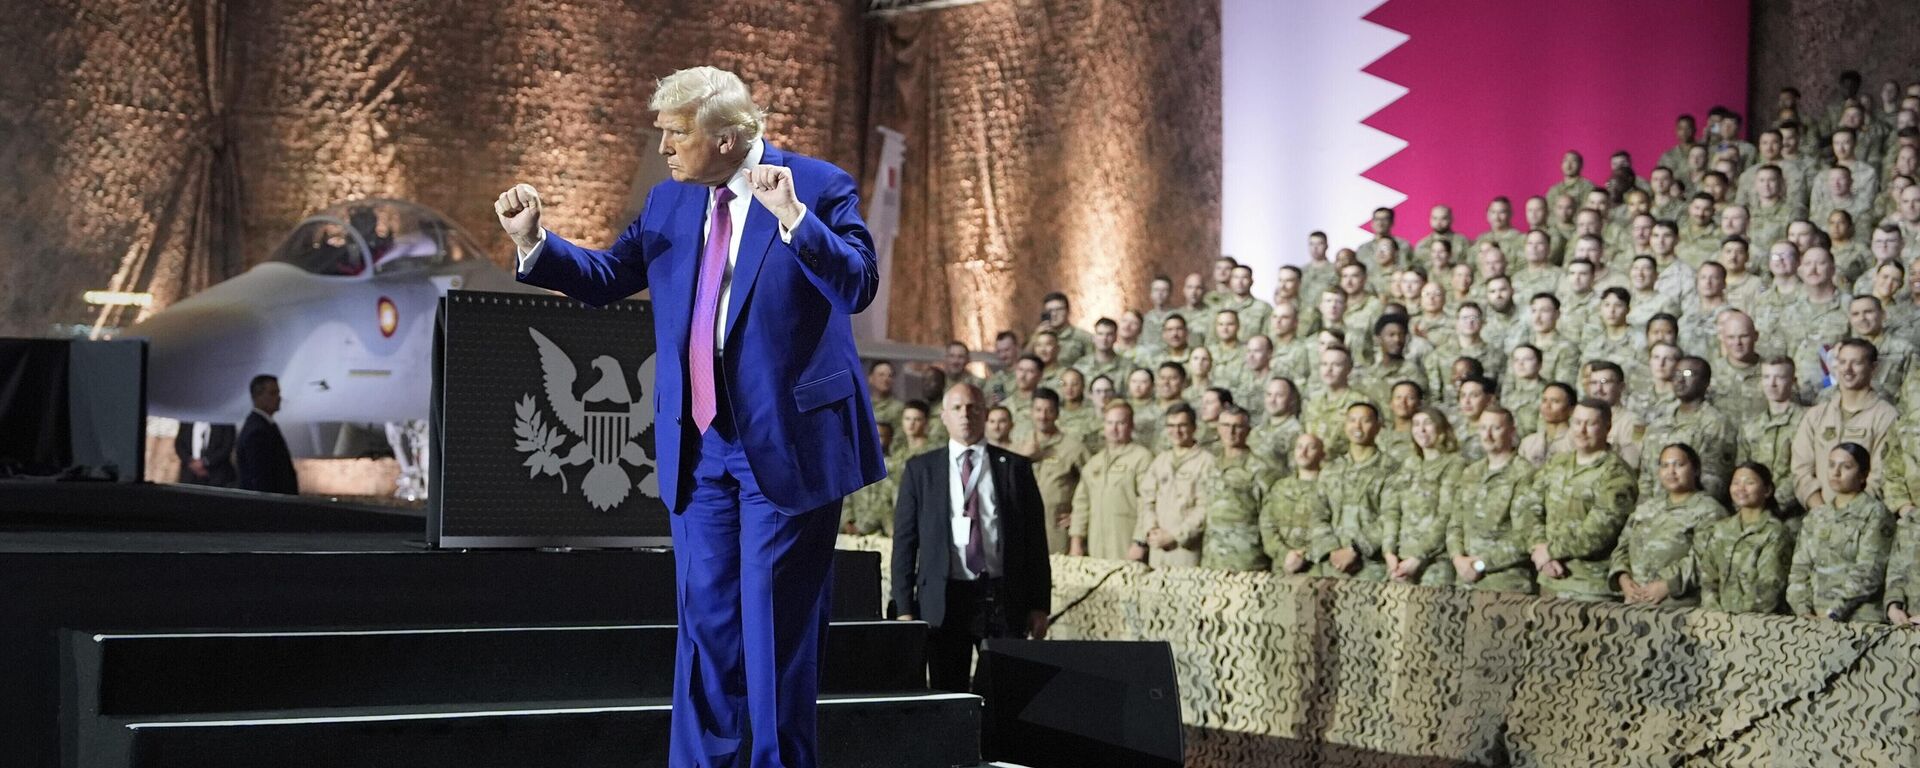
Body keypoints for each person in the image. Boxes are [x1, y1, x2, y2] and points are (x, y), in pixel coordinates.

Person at [498, 66, 883, 768]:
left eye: (676, 135)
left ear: (728, 139)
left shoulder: (818, 186)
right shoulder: (671, 203)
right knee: (706, 630)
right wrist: (536, 242)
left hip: (785, 447)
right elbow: (609, 275)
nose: (665, 149)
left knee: (774, 644)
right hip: (699, 449)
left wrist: (795, 220)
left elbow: (857, 286)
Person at [892, 383, 1052, 691]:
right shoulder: (921, 470)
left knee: (1007, 694)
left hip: (1002, 598)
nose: (966, 415)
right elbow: (905, 542)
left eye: (973, 408)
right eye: (957, 408)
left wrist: (1040, 604)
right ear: (943, 417)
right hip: (945, 600)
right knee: (946, 692)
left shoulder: (1016, 468)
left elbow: (1035, 541)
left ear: (985, 414)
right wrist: (903, 606)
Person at [1529, 399, 1638, 601]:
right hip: (1549, 580)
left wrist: (1550, 551)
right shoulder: (1557, 463)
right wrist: (1539, 548)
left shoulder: (1616, 474)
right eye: (1577, 422)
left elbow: (1598, 533)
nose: (1582, 430)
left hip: (1590, 589)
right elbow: (1532, 507)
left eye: (1591, 424)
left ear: (1607, 427)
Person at [1787, 442, 1896, 623]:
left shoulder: (1875, 513)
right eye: (1831, 465)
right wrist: (1803, 612)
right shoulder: (1817, 515)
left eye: (1846, 467)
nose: (1836, 472)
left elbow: (1869, 572)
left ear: (1863, 475)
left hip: (1859, 620)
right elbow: (1799, 569)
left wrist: (1833, 613)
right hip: (1812, 620)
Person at [1610, 443, 1727, 607]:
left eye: (1679, 465)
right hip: (1634, 604)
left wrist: (1667, 585)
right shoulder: (1647, 507)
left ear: (1695, 469)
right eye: (1665, 465)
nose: (1671, 471)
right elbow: (1622, 546)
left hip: (1678, 607)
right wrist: (1624, 579)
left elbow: (1707, 560)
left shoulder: (1709, 510)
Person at [1791, 339, 1897, 508]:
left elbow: (1882, 475)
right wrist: (1822, 513)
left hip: (1864, 520)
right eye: (1842, 362)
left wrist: (1849, 515)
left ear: (1873, 368)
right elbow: (1801, 470)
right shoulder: (1815, 415)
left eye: (1856, 363)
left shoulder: (1886, 416)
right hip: (1819, 519)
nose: (1847, 369)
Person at [1446, 408, 1540, 593]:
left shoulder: (1524, 474)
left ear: (1511, 431)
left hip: (1505, 585)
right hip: (1464, 582)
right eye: (1483, 428)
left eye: (1496, 428)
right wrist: (1458, 559)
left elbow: (1526, 535)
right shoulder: (1471, 472)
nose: (1487, 435)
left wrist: (1481, 564)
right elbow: (1455, 522)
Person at [1318, 402, 1400, 581]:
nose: (1357, 426)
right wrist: (1332, 550)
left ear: (1378, 427)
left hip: (1371, 568)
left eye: (1365, 421)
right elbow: (1318, 514)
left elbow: (1390, 516)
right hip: (1332, 567)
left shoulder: (1391, 469)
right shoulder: (1331, 469)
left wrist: (1355, 549)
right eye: (1352, 420)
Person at [1697, 463, 1794, 614]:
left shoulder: (1774, 532)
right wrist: (1715, 615)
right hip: (1719, 623)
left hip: (1757, 624)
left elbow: (1770, 586)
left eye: (1749, 483)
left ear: (1767, 490)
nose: (1741, 488)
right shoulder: (1721, 529)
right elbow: (1708, 578)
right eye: (1736, 482)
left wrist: (1739, 621)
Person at [1383, 407, 1463, 586]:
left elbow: (1447, 515)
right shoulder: (1410, 463)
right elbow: (1392, 510)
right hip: (1400, 562)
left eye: (1428, 424)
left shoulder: (1454, 464)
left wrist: (1418, 557)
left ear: (1441, 429)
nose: (1422, 430)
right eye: (1417, 425)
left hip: (1435, 561)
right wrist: (1389, 552)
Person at [1128, 403, 1216, 568]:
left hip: (1187, 549)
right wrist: (1151, 529)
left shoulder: (1206, 462)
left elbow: (1205, 507)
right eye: (1171, 426)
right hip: (1157, 548)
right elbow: (1147, 500)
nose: (1176, 431)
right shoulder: (1161, 460)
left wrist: (1175, 535)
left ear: (1194, 427)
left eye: (1182, 425)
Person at [1069, 401, 1155, 560]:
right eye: (1110, 423)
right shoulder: (1095, 462)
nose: (1114, 429)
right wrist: (1076, 540)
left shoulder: (1142, 458)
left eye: (1120, 423)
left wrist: (1140, 541)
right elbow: (1082, 504)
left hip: (1126, 541)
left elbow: (1147, 502)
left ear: (1131, 425)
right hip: (1096, 543)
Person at [1200, 405, 1281, 572]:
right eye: (1226, 426)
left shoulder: (1261, 469)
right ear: (1218, 429)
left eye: (1238, 426)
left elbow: (1271, 517)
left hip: (1246, 559)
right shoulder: (1211, 464)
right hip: (1212, 558)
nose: (1231, 432)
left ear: (1248, 430)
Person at [1011, 388, 1090, 555]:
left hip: (1056, 531)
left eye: (1049, 410)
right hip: (1021, 528)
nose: (1043, 416)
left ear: (1057, 414)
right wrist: (1023, 458)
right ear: (1031, 412)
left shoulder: (1073, 448)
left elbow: (1092, 486)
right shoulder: (1018, 446)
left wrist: (1077, 517)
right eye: (1038, 410)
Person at [1261, 433, 1332, 577]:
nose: (1303, 452)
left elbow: (1336, 529)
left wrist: (1304, 556)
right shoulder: (1279, 487)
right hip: (1281, 569)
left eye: (1310, 447)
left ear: (1322, 454)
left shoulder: (1330, 488)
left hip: (1317, 570)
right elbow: (1267, 526)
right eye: (1299, 447)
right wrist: (1284, 555)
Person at [236, 375, 298, 494]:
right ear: (257, 397)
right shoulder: (257, 431)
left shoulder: (264, 425)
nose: (279, 398)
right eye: (273, 393)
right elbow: (260, 478)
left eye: (278, 393)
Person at [173, 421, 236, 487]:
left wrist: (205, 462)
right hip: (189, 475)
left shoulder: (226, 423)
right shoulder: (188, 421)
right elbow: (179, 444)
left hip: (216, 476)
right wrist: (191, 462)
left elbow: (226, 447)